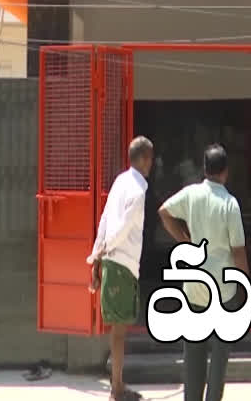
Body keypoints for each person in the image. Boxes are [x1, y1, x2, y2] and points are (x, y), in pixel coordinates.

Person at [157, 144, 249, 401]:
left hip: (195, 285)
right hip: (224, 288)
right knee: (219, 359)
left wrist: (185, 242)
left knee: (193, 355)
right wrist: (246, 286)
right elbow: (238, 250)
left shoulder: (191, 194)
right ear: (226, 172)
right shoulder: (230, 203)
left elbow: (163, 212)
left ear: (204, 169)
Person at [89, 136, 154, 401]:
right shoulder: (138, 191)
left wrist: (97, 252)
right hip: (122, 262)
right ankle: (116, 389)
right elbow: (124, 226)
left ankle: (118, 384)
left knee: (118, 328)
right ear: (145, 158)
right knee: (119, 331)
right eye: (151, 158)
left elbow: (105, 217)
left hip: (112, 258)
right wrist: (102, 251)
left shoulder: (120, 181)